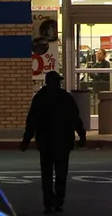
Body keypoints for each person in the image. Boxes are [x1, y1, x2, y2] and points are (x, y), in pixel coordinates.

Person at [21, 71, 87, 213]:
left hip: (45, 142)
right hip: (63, 142)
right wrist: (82, 135)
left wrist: (26, 139)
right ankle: (59, 201)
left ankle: (48, 202)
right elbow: (75, 118)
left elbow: (31, 120)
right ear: (57, 82)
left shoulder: (39, 98)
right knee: (61, 173)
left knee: (46, 174)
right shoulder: (65, 98)